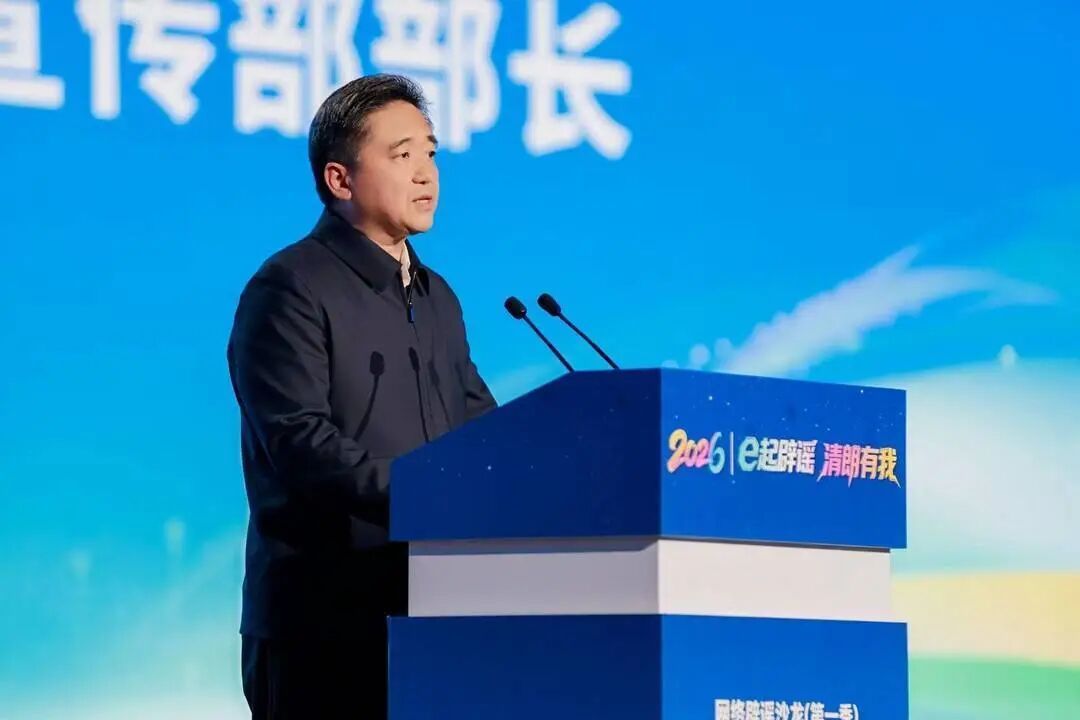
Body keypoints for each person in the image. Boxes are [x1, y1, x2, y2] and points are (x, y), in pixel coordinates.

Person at [227, 74, 496, 719]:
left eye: (430, 153)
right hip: (322, 628)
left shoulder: (438, 297)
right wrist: (431, 495)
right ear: (339, 179)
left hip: (434, 614)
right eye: (402, 155)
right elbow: (301, 443)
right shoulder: (289, 288)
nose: (426, 173)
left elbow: (480, 426)